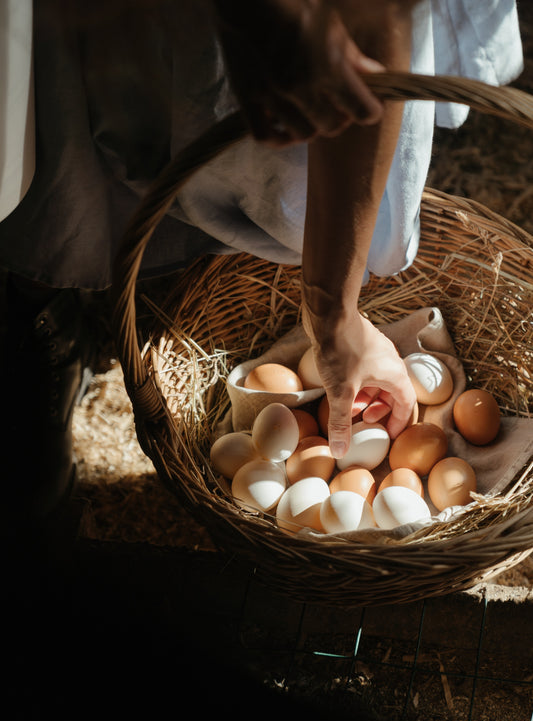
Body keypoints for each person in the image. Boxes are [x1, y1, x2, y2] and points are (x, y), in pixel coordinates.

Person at [0, 0, 524, 522]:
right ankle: (40, 306)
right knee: (63, 131)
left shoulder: (353, 25)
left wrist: (333, 313)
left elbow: (372, 60)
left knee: (283, 161)